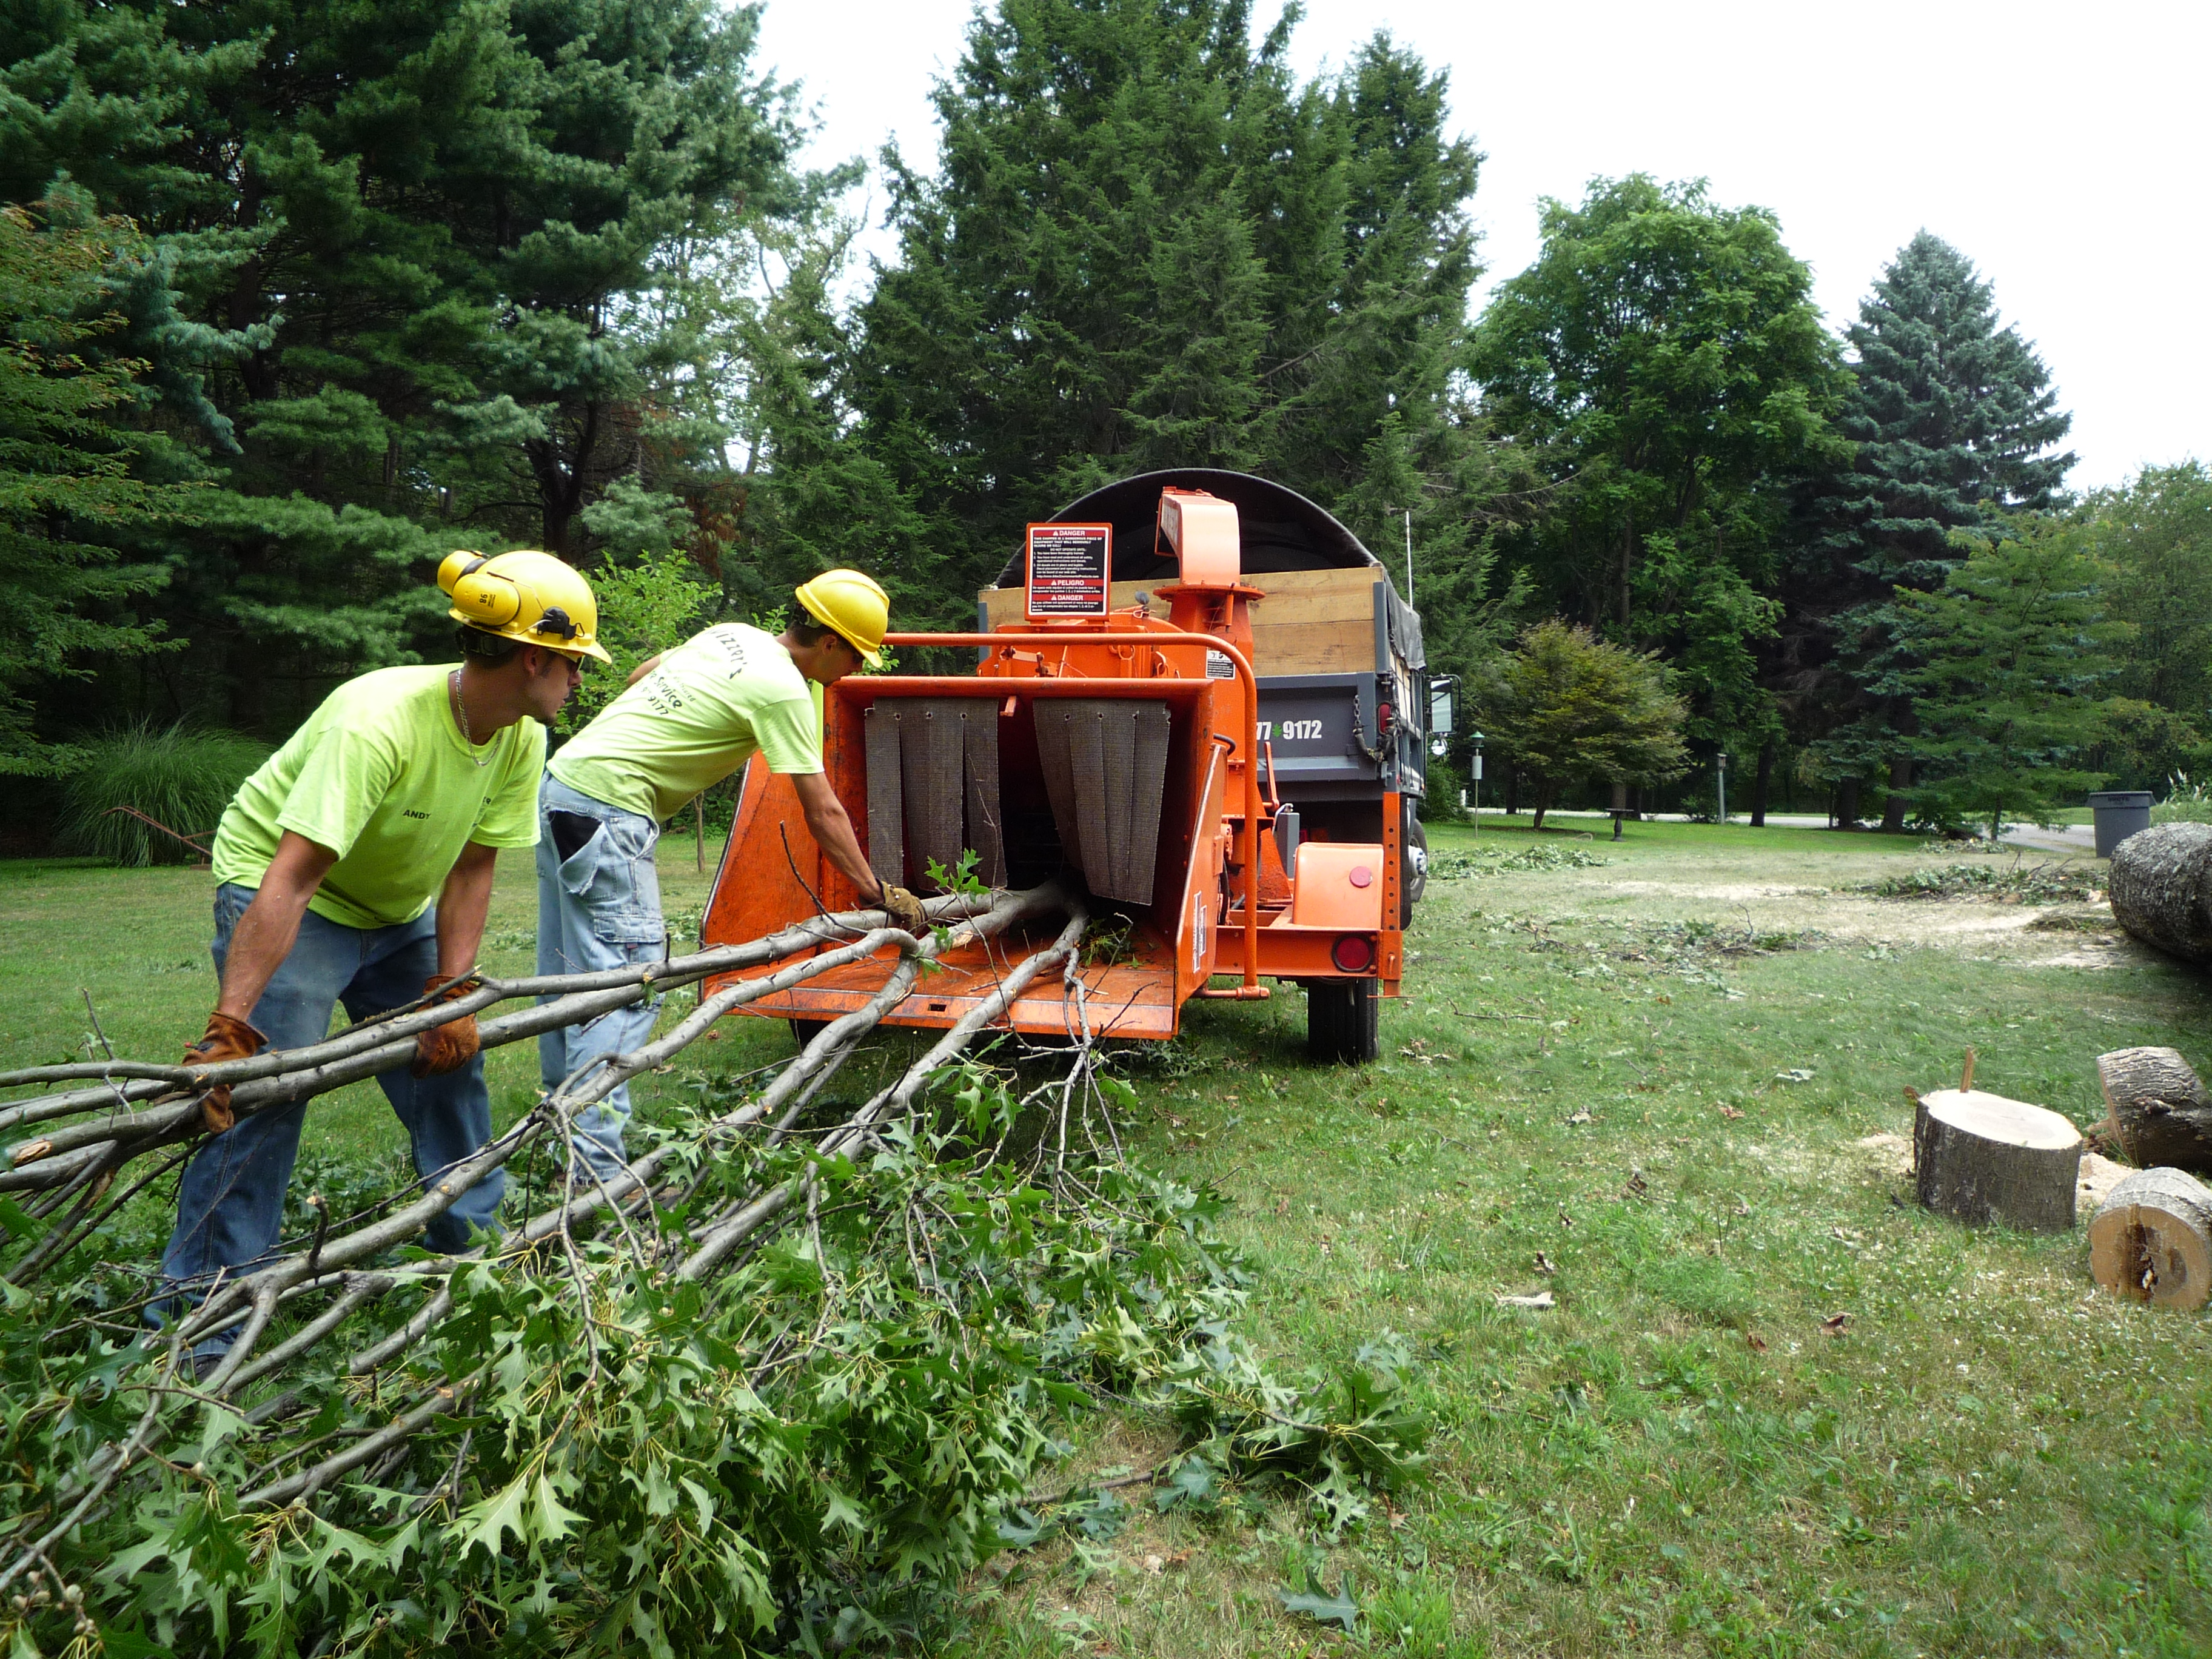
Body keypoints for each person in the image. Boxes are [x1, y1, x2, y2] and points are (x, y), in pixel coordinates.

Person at [156, 550, 606, 1367]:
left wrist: (453, 992)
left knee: (451, 1067)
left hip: (395, 912)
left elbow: (472, 867)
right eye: (574, 663)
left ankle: (471, 1262)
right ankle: (201, 1323)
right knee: (264, 1093)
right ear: (531, 658)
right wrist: (232, 1028)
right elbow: (294, 876)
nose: (579, 680)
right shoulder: (378, 721)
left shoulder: (521, 738)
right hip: (289, 890)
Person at [537, 570, 927, 1176]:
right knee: (628, 988)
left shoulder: (732, 635)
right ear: (829, 642)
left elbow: (643, 675)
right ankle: (596, 1174)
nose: (855, 669)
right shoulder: (784, 689)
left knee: (569, 976)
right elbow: (823, 810)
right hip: (610, 813)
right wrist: (878, 892)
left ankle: (560, 1133)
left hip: (564, 786)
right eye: (856, 655)